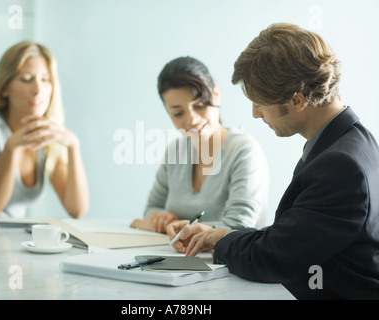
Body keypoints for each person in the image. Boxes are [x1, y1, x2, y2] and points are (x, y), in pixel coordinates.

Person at [166, 23, 379, 299]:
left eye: (259, 103)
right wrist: (220, 235)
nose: (255, 114)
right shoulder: (351, 141)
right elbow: (294, 234)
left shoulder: (340, 165)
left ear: (298, 100)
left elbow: (275, 258)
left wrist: (223, 242)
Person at [130, 56, 269, 233]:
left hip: (225, 260)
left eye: (200, 105)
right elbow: (152, 209)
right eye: (178, 113)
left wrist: (177, 228)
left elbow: (239, 226)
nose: (192, 120)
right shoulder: (175, 151)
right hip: (176, 258)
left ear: (216, 95)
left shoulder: (244, 151)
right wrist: (160, 218)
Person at [0, 41, 89, 219]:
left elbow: (77, 210)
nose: (38, 90)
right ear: (4, 88)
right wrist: (12, 147)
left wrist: (74, 147)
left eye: (45, 80)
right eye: (27, 79)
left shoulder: (48, 133)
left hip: (11, 238)